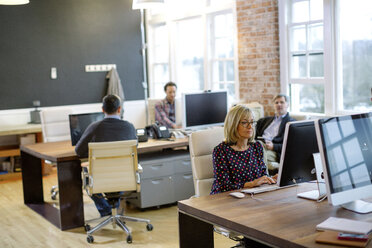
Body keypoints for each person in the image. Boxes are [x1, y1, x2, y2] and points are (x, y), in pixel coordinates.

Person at [75, 94, 137, 217]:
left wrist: (96, 152)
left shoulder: (94, 127)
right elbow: (135, 149)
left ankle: (106, 210)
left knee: (87, 177)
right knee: (117, 171)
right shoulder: (129, 127)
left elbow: (79, 151)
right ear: (119, 109)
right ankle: (113, 210)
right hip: (124, 176)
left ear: (102, 109)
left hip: (100, 176)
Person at [210, 104, 276, 195]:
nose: (250, 126)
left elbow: (263, 175)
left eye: (252, 122)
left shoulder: (257, 146)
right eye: (244, 123)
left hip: (251, 196)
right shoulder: (220, 151)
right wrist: (251, 184)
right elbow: (223, 186)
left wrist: (270, 179)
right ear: (233, 124)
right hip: (225, 199)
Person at [255, 94, 296, 173]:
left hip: (273, 151)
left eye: (282, 102)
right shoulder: (264, 120)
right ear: (274, 105)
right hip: (260, 144)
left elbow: (291, 145)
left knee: (258, 154)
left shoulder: (291, 123)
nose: (279, 104)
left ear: (287, 105)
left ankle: (262, 176)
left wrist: (274, 146)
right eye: (276, 102)